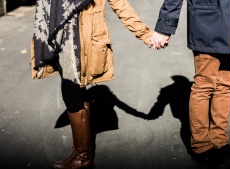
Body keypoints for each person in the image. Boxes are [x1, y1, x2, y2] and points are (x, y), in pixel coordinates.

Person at [31, 0, 152, 168]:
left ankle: (82, 156)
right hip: (61, 38)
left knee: (71, 90)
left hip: (82, 41)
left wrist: (145, 34)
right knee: (75, 91)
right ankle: (82, 153)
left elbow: (120, 4)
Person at [150, 0, 230, 168]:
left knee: (226, 87)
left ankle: (219, 142)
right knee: (204, 86)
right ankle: (201, 147)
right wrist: (164, 27)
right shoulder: (168, 89)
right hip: (208, 23)